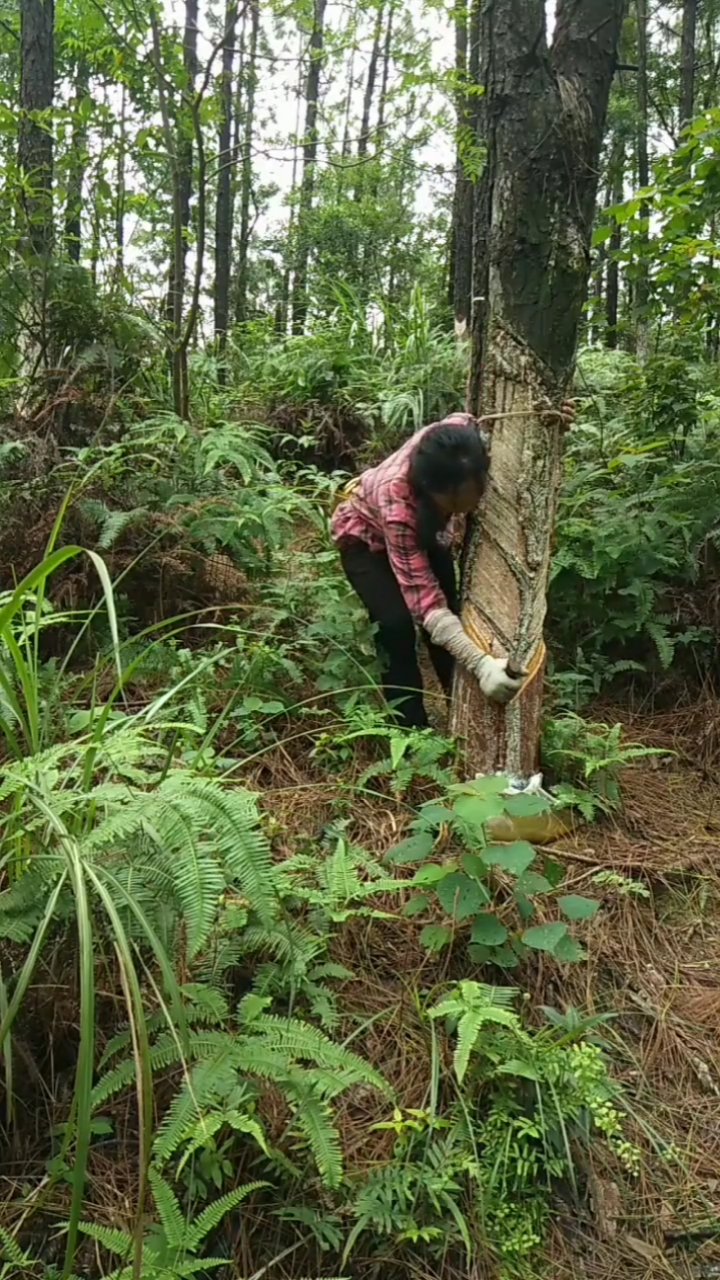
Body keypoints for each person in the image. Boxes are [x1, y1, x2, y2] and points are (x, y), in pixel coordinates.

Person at [331, 410, 521, 730]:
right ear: (432, 493)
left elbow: (506, 420)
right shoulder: (398, 505)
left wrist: (553, 419)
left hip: (427, 531)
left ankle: (465, 716)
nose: (471, 505)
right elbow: (426, 604)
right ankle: (410, 731)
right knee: (396, 626)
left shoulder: (462, 434)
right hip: (365, 541)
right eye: (458, 503)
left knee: (453, 619)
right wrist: (481, 663)